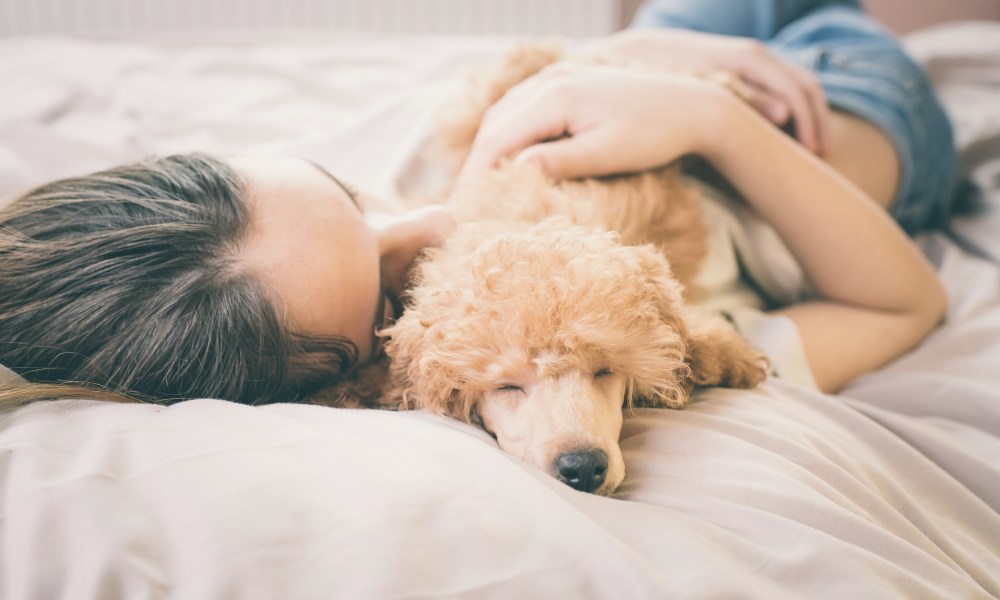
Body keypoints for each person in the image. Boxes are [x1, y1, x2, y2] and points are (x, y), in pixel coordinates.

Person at [0, 0, 956, 408]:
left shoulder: (289, 256)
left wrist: (640, 61)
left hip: (671, 41)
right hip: (839, 110)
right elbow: (902, 303)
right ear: (355, 381)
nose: (427, 224)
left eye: (348, 193)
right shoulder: (584, 336)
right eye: (388, 290)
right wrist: (708, 117)